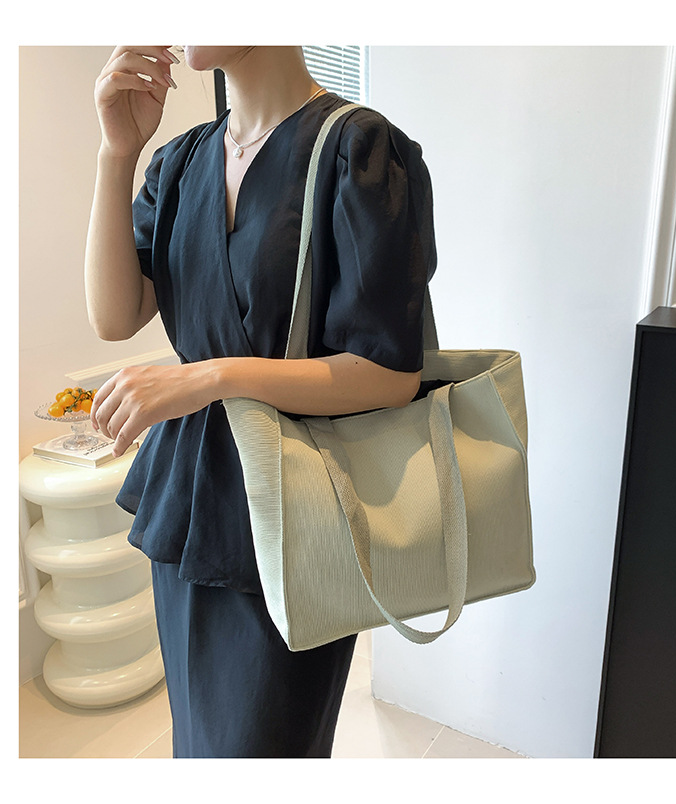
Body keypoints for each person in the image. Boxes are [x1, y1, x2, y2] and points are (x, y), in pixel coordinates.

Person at [85, 45, 437, 758]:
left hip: (296, 508)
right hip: (190, 497)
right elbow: (114, 316)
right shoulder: (181, 162)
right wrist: (116, 154)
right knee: (200, 745)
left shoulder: (359, 150)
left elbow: (389, 373)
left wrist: (207, 378)